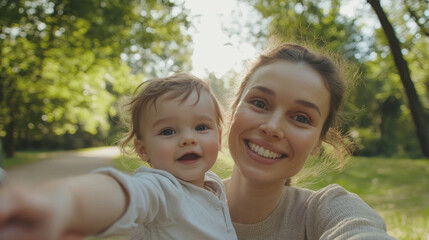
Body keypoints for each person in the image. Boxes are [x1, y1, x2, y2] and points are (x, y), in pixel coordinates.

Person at [0, 73, 237, 240]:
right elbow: (125, 193)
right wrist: (66, 201)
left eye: (201, 127)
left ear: (218, 137)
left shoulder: (214, 185)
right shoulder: (163, 190)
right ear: (143, 150)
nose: (188, 139)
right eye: (168, 131)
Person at [223, 42, 395, 239]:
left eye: (301, 118)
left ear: (317, 143)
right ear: (234, 108)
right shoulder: (181, 201)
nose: (272, 128)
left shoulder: (326, 210)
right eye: (259, 103)